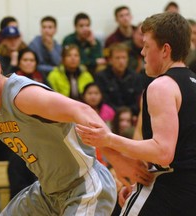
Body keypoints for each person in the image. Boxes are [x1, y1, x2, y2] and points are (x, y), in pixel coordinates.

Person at [0, 42, 153, 216]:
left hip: (85, 187)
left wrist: (115, 156)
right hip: (49, 192)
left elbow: (84, 111)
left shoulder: (24, 96)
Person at [76, 12, 196, 215]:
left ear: (165, 50)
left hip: (170, 190)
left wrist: (108, 139)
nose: (141, 52)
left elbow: (163, 152)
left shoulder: (162, 86)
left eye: (147, 46)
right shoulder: (192, 83)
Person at [95, 43, 143, 117]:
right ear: (110, 60)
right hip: (109, 116)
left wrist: (127, 114)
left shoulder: (136, 77)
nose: (121, 61)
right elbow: (104, 102)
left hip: (131, 116)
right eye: (117, 58)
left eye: (124, 58)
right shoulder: (101, 77)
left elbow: (137, 102)